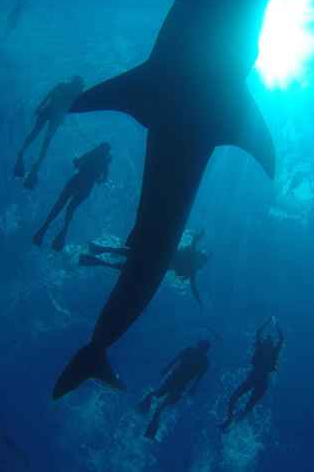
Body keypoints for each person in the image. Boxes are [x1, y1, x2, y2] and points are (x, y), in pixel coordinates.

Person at [79, 230, 209, 306]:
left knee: (128, 260)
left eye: (201, 256)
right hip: (156, 263)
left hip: (155, 262)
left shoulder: (191, 264)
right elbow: (193, 286)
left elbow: (193, 286)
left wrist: (199, 300)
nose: (199, 256)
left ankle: (97, 254)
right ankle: (97, 254)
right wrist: (199, 300)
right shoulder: (191, 262)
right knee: (128, 259)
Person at [32, 142, 111, 252]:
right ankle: (61, 237)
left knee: (59, 205)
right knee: (70, 209)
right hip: (87, 187)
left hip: (77, 180)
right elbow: (103, 180)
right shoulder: (105, 162)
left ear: (100, 147)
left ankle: (42, 231)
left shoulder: (93, 153)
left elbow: (77, 163)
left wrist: (76, 161)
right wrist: (96, 178)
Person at [14, 76, 85, 189]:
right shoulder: (74, 92)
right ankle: (36, 163)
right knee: (44, 139)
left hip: (50, 113)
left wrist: (40, 106)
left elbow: (49, 96)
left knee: (36, 134)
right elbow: (72, 106)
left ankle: (23, 153)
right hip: (55, 116)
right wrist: (41, 106)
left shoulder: (64, 86)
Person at [137, 340, 210, 440]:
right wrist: (193, 388)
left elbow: (197, 377)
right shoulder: (200, 358)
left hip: (177, 382)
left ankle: (144, 412)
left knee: (159, 401)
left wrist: (167, 369)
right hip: (177, 382)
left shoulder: (197, 356)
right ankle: (146, 417)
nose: (201, 349)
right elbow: (197, 377)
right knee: (159, 401)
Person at [220, 317, 283, 432]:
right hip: (253, 377)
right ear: (264, 341)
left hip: (263, 381)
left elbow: (282, 339)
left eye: (270, 339)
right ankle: (229, 419)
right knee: (233, 398)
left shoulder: (274, 351)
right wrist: (267, 322)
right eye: (267, 338)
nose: (268, 339)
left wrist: (277, 325)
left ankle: (235, 425)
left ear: (272, 343)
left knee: (249, 406)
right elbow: (258, 332)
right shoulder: (260, 346)